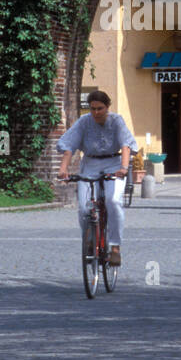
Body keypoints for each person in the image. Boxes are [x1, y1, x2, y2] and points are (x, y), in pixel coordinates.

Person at [57, 91, 136, 267]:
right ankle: (90, 240)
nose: (96, 112)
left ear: (107, 107)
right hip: (90, 164)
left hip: (114, 164)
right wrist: (63, 170)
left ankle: (115, 247)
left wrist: (123, 168)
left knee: (113, 201)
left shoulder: (116, 121)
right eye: (92, 108)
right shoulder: (84, 122)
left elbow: (126, 145)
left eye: (100, 108)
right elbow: (69, 146)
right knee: (84, 208)